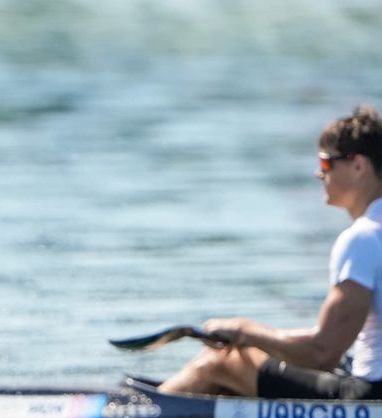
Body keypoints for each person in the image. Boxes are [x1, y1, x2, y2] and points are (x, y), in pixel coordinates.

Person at [159, 105, 382, 399]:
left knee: (223, 362)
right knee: (243, 375)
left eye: (326, 163)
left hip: (368, 397)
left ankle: (130, 417)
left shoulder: (364, 238)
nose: (318, 173)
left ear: (358, 166)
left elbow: (322, 353)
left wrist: (245, 331)